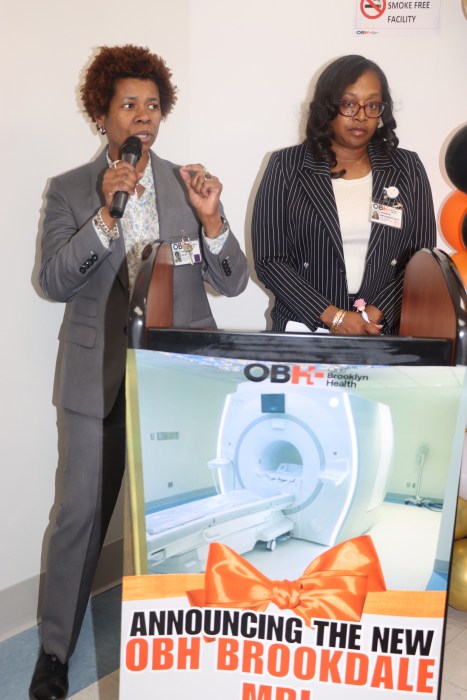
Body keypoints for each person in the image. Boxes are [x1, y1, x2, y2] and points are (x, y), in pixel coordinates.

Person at [30, 44, 248, 700]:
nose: (143, 117)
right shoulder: (70, 189)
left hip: (174, 377)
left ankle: (183, 647)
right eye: (129, 105)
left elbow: (232, 282)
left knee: (179, 516)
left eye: (152, 106)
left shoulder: (188, 185)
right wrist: (104, 216)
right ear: (104, 114)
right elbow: (51, 280)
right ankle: (52, 653)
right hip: (94, 377)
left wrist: (212, 222)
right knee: (78, 516)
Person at [252, 54, 436, 335]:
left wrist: (375, 313)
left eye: (372, 105)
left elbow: (423, 259)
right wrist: (333, 317)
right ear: (327, 107)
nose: (361, 115)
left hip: (383, 329)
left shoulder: (407, 167)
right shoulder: (287, 166)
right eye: (349, 104)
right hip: (306, 326)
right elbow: (269, 259)